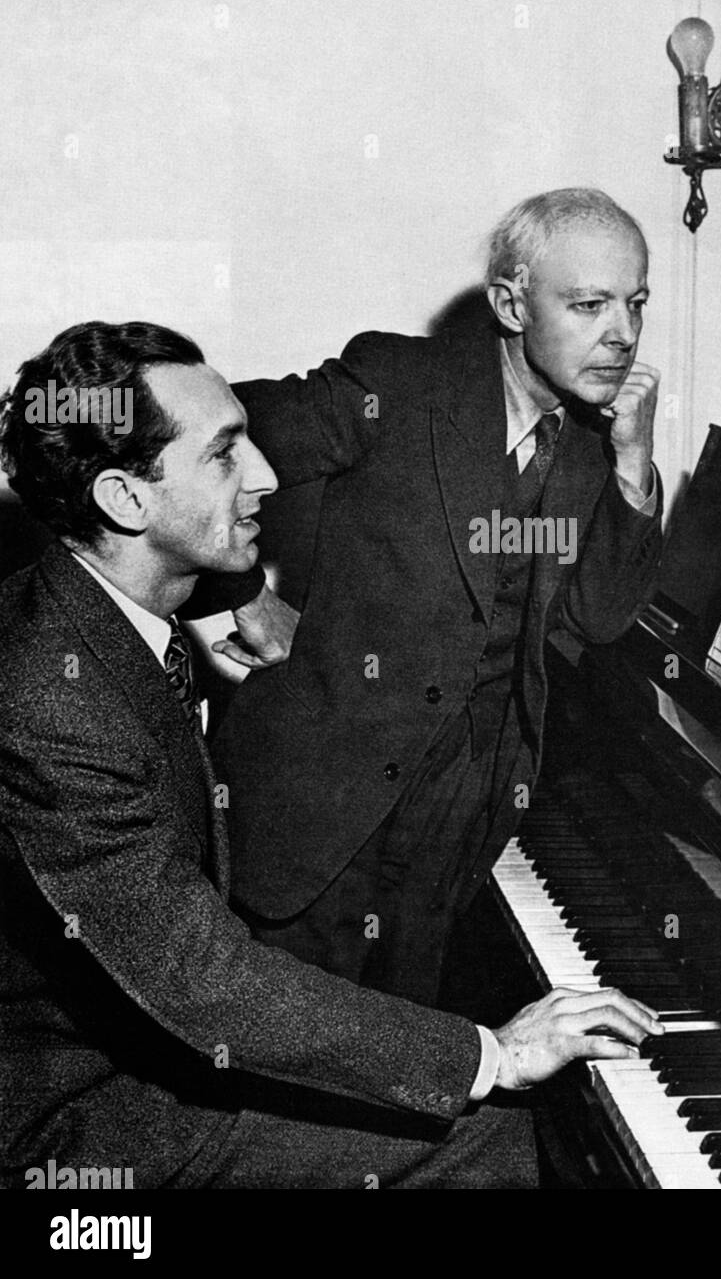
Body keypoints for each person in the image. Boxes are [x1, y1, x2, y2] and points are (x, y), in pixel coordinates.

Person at [0, 321, 662, 1190]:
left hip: (149, 1036)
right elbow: (197, 978)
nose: (268, 476)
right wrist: (493, 1052)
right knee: (494, 1144)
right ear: (127, 501)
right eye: (227, 455)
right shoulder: (52, 698)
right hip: (72, 1113)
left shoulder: (92, 611)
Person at [201, 188, 663, 1005]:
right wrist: (242, 594)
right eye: (589, 305)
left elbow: (596, 617)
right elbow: (197, 447)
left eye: (635, 305)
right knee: (281, 1059)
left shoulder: (595, 436)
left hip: (464, 804)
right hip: (322, 797)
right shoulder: (395, 382)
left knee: (400, 1049)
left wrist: (633, 463)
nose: (621, 334)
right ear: (511, 304)